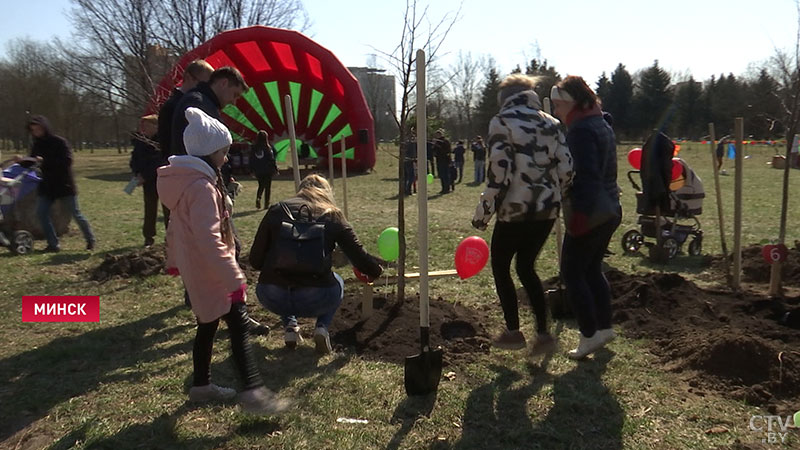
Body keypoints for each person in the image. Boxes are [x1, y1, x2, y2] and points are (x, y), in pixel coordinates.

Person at [157, 107, 289, 414]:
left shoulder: (187, 183)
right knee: (239, 327)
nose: (227, 158)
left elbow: (175, 228)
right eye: (224, 152)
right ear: (209, 152)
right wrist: (232, 275)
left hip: (198, 270)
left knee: (207, 326)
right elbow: (208, 237)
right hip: (215, 273)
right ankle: (254, 393)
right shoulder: (202, 188)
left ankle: (201, 386)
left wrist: (176, 261)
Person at [472, 74, 573, 354]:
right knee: (526, 267)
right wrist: (556, 195)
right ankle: (543, 334)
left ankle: (513, 332)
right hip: (546, 210)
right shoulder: (553, 123)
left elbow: (498, 175)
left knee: (502, 267)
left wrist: (483, 213)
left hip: (514, 211)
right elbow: (566, 169)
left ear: (505, 98)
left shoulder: (502, 122)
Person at [249, 174, 384, 354]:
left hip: (272, 295)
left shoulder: (276, 210)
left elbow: (255, 260)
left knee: (284, 273)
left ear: (301, 189)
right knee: (338, 281)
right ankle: (321, 327)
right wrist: (376, 271)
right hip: (317, 296)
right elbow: (359, 256)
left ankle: (290, 326)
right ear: (326, 192)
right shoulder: (333, 215)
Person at [550, 75, 622, 360]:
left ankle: (589, 335)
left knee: (572, 272)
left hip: (590, 212)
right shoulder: (600, 122)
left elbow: (587, 176)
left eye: (558, 105)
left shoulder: (579, 131)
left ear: (571, 103)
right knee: (592, 270)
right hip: (610, 208)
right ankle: (604, 328)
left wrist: (579, 215)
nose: (556, 111)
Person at [22, 115, 96, 252]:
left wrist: (44, 161)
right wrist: (21, 161)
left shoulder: (59, 142)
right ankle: (53, 244)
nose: (36, 132)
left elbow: (66, 161)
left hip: (64, 184)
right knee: (41, 213)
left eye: (38, 129)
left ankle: (90, 239)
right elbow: (31, 162)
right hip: (47, 185)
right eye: (33, 130)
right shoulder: (37, 144)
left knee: (75, 213)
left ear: (44, 128)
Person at [170, 66, 248, 156]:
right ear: (224, 83)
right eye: (235, 95)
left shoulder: (198, 101)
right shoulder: (199, 104)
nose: (233, 102)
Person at [158, 59, 214, 158]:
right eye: (203, 84)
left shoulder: (201, 103)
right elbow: (167, 143)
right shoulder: (171, 107)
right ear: (189, 78)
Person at [130, 114, 167, 247]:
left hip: (163, 180)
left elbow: (160, 161)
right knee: (149, 209)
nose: (144, 128)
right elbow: (134, 158)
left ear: (156, 126)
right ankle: (148, 237)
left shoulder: (163, 141)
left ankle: (171, 236)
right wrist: (136, 173)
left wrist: (144, 175)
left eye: (147, 125)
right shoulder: (141, 140)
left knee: (168, 209)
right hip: (148, 183)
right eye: (143, 125)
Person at [250, 130, 278, 209]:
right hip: (267, 170)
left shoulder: (254, 148)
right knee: (268, 187)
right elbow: (272, 159)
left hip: (258, 170)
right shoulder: (268, 148)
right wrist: (275, 169)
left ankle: (258, 198)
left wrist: (252, 170)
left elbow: (251, 160)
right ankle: (266, 204)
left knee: (261, 185)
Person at [432, 129, 452, 194]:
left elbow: (447, 150)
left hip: (445, 160)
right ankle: (443, 188)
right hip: (439, 160)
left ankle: (447, 188)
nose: (437, 136)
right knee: (441, 175)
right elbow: (434, 150)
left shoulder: (445, 141)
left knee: (445, 175)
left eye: (438, 134)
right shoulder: (436, 142)